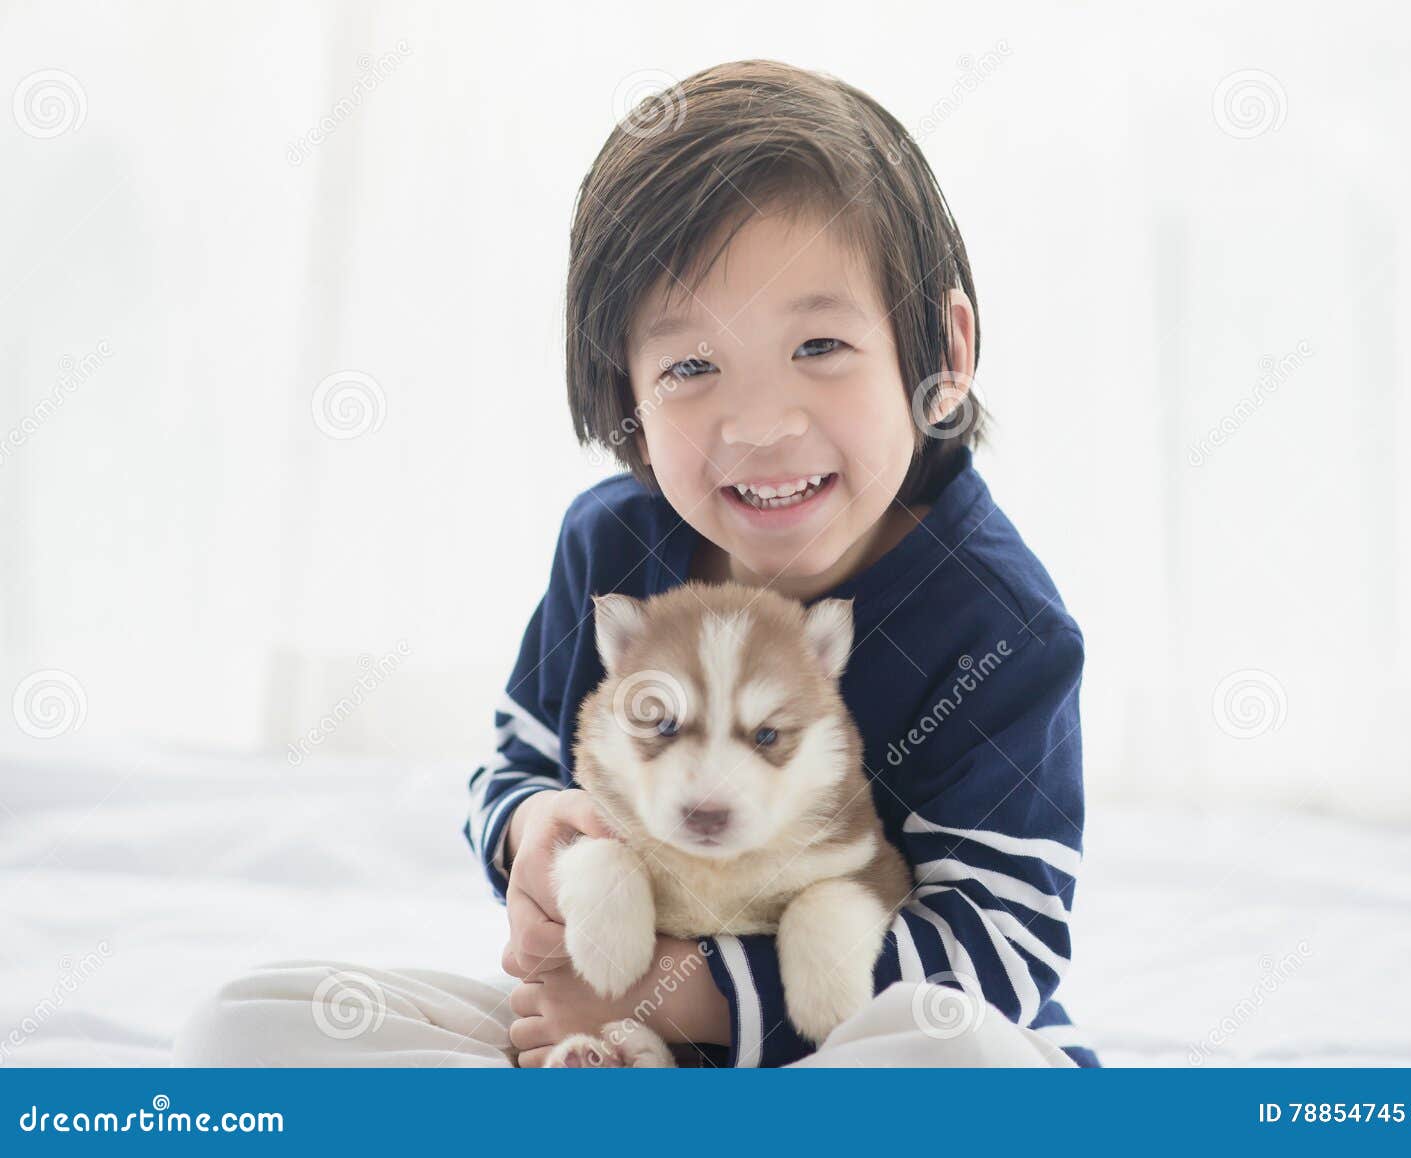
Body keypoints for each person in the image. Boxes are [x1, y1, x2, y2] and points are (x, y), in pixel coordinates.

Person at [175, 58, 1099, 1069]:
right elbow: (517, 761)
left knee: (959, 1060)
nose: (759, 424)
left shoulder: (999, 628)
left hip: (851, 1059)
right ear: (625, 390)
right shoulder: (613, 546)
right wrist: (534, 838)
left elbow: (1000, 950)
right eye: (691, 367)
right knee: (244, 1028)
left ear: (942, 354)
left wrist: (693, 997)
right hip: (601, 1026)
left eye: (821, 345)